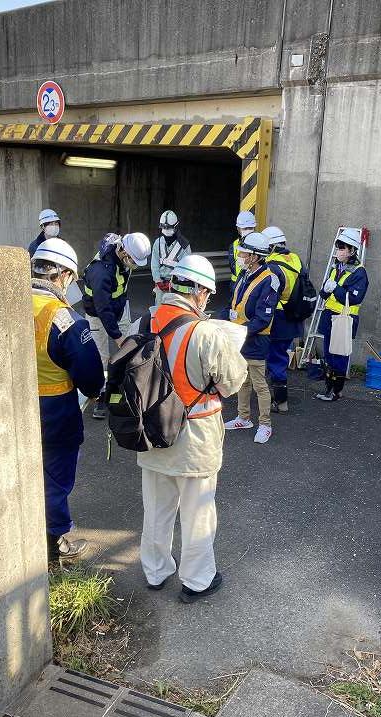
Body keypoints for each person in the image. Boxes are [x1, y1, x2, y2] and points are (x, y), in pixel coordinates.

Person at [138, 255, 247, 603]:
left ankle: (155, 571)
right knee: (197, 513)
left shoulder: (146, 319)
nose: (207, 300)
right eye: (208, 294)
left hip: (151, 432)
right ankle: (197, 580)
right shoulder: (206, 333)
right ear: (199, 291)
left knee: (156, 509)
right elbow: (232, 383)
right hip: (194, 437)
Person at [31, 238, 104, 562]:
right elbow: (90, 377)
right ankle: (54, 545)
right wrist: (97, 390)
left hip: (14, 407)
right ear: (63, 275)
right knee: (56, 477)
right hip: (55, 411)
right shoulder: (64, 319)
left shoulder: (7, 303)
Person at [82, 232, 151, 419]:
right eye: (134, 261)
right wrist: (117, 336)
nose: (134, 265)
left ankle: (124, 389)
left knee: (130, 350)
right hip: (97, 314)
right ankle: (101, 396)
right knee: (101, 357)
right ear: (123, 252)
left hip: (119, 307)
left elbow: (120, 288)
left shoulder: (123, 259)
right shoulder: (101, 272)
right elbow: (103, 308)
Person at [224, 232, 279, 444]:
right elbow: (234, 303)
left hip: (256, 339)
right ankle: (243, 418)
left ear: (255, 256)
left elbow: (263, 319)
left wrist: (239, 331)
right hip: (241, 336)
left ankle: (265, 425)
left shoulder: (269, 280)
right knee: (242, 381)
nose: (239, 256)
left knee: (259, 385)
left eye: (243, 253)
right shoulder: (244, 273)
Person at [316, 228, 368, 401]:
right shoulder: (336, 267)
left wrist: (335, 288)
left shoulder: (359, 272)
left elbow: (354, 298)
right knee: (329, 354)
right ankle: (328, 389)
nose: (339, 251)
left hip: (344, 319)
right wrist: (325, 289)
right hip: (329, 315)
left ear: (352, 251)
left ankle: (336, 391)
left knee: (339, 356)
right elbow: (324, 294)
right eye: (338, 247)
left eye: (342, 248)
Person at [263, 225, 303, 413]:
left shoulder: (272, 266)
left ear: (270, 247)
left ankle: (280, 402)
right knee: (280, 356)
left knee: (275, 358)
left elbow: (269, 296)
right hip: (294, 317)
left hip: (278, 319)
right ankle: (278, 398)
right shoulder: (296, 260)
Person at [150, 210, 191, 305]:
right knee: (159, 310)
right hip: (160, 285)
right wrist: (158, 281)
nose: (165, 231)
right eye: (164, 228)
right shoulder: (158, 243)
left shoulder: (184, 245)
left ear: (175, 227)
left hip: (177, 286)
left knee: (174, 311)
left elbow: (185, 269)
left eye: (168, 228)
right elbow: (154, 264)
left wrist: (174, 282)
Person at [228, 210, 257, 294]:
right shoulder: (234, 245)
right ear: (238, 229)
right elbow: (232, 266)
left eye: (250, 228)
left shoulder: (260, 244)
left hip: (253, 282)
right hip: (236, 283)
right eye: (245, 228)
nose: (247, 230)